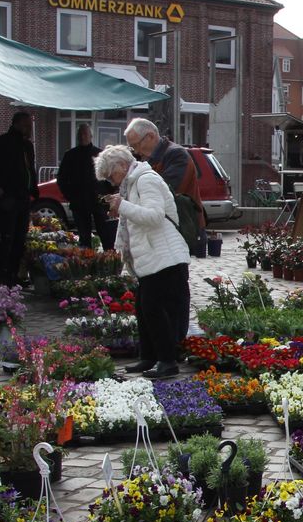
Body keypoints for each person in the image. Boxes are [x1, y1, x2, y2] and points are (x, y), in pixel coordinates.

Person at [96, 145, 190, 380]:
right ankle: (150, 356)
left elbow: (154, 216)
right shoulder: (133, 183)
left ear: (121, 166)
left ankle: (167, 361)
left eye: (111, 175)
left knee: (155, 310)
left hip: (165, 257)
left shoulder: (145, 180)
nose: (112, 182)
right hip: (153, 257)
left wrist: (123, 206)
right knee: (144, 308)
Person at [125, 118, 200, 338]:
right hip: (161, 231)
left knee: (176, 288)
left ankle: (177, 337)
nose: (136, 151)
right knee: (164, 289)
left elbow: (166, 191)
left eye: (137, 145)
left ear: (150, 136)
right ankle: (170, 338)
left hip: (178, 229)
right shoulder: (152, 158)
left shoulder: (175, 155)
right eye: (133, 147)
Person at [0, 111, 38, 287]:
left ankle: (15, 274)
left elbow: (29, 169)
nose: (30, 129)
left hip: (23, 196)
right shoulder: (1, 143)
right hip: (7, 197)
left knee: (20, 237)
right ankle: (4, 276)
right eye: (27, 126)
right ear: (18, 124)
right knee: (7, 237)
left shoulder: (27, 146)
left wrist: (33, 190)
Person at [57, 123, 112, 251]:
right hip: (78, 201)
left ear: (91, 136)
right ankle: (86, 263)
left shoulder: (100, 154)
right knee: (84, 237)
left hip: (98, 200)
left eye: (85, 134)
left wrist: (107, 194)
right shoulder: (70, 155)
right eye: (80, 134)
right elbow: (62, 179)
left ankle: (109, 261)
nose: (82, 136)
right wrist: (69, 195)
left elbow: (109, 177)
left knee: (105, 234)